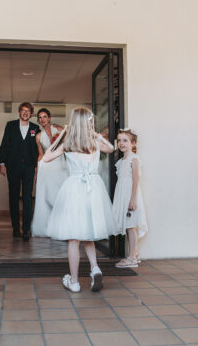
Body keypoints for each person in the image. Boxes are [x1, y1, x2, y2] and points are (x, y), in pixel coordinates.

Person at [43, 107, 116, 292]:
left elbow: (46, 157)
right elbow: (111, 148)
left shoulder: (68, 143)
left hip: (75, 189)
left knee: (74, 238)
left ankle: (74, 282)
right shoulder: (94, 142)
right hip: (93, 190)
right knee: (88, 232)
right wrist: (97, 135)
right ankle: (94, 268)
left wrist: (62, 135)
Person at [0, 102, 41, 241]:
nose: (25, 113)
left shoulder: (35, 128)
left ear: (31, 114)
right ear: (19, 112)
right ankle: (16, 228)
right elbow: (4, 145)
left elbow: (37, 149)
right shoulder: (10, 125)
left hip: (29, 168)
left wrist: (36, 168)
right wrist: (2, 163)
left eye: (28, 111)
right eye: (23, 110)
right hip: (13, 167)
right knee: (13, 197)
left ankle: (26, 230)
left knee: (28, 198)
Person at [113, 129, 148, 268]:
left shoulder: (133, 159)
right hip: (123, 195)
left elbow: (135, 180)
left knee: (131, 226)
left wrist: (133, 200)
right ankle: (135, 255)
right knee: (128, 226)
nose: (121, 143)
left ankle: (132, 258)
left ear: (133, 143)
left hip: (130, 196)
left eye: (125, 140)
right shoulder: (122, 161)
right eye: (119, 140)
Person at [31, 108, 67, 237]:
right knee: (49, 197)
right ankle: (48, 227)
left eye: (45, 116)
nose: (42, 119)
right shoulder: (38, 136)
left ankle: (63, 227)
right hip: (48, 167)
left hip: (62, 165)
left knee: (61, 196)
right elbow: (40, 156)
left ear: (49, 118)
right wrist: (36, 172)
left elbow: (69, 144)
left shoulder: (59, 129)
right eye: (40, 117)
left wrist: (63, 130)